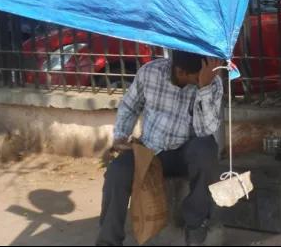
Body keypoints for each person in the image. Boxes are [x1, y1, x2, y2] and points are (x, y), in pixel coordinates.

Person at [96, 50, 224, 246]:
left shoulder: (211, 82)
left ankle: (195, 225)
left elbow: (207, 129)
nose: (203, 77)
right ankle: (108, 241)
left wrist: (204, 88)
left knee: (206, 148)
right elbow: (130, 106)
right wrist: (121, 135)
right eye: (197, 76)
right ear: (181, 71)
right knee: (117, 171)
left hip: (185, 153)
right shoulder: (149, 72)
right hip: (150, 150)